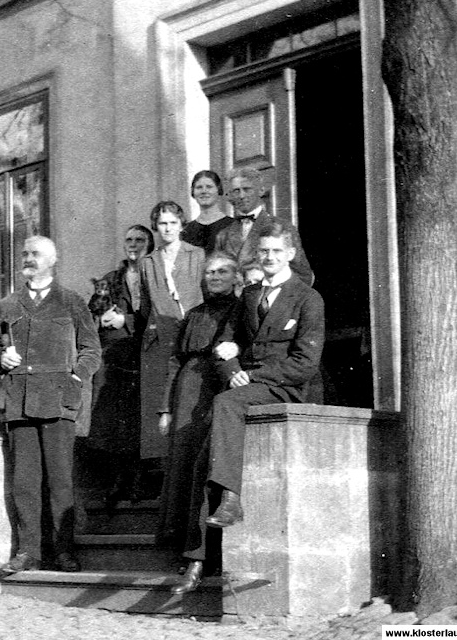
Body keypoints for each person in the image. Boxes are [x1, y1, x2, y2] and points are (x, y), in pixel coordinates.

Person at [0, 236, 101, 577]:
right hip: (19, 400)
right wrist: (0, 357)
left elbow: (91, 349)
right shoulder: (8, 304)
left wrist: (76, 379)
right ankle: (28, 553)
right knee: (24, 482)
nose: (28, 258)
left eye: (35, 254)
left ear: (53, 260)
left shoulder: (71, 301)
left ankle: (64, 551)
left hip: (58, 401)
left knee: (61, 481)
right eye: (25, 253)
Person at [205, 223, 324, 530]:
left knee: (227, 403)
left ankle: (231, 499)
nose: (269, 257)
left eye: (276, 251)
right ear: (256, 254)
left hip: (285, 386)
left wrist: (251, 376)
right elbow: (224, 345)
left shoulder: (307, 299)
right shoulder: (249, 295)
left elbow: (305, 363)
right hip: (247, 382)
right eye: (264, 251)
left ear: (290, 254)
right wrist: (232, 372)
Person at [158, 253, 240, 594]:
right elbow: (176, 361)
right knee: (182, 469)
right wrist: (166, 408)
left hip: (217, 390)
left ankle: (206, 558)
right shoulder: (192, 315)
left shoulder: (241, 310)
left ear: (235, 276)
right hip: (186, 394)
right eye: (209, 272)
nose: (215, 277)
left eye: (222, 271)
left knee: (206, 471)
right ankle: (182, 548)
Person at [88, 224, 155, 504]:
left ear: (149, 244)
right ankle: (118, 480)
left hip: (147, 353)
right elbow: (94, 309)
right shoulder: (112, 278)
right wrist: (102, 317)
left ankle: (139, 480)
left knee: (140, 418)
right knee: (114, 419)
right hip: (116, 356)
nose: (133, 244)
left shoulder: (155, 274)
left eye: (140, 240)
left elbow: (157, 312)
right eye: (129, 239)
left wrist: (124, 321)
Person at [138, 201, 205, 474]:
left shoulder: (197, 255)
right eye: (162, 223)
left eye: (173, 223)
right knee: (158, 409)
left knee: (188, 400)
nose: (167, 228)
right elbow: (144, 306)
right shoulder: (148, 262)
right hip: (159, 339)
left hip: (190, 336)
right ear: (156, 226)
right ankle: (162, 475)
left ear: (181, 225)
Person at [213, 166, 314, 286]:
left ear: (261, 190)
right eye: (236, 191)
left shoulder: (282, 227)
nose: (241, 196)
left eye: (247, 189)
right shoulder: (223, 235)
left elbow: (303, 275)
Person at [180, 170, 235, 253]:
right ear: (193, 192)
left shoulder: (233, 226)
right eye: (199, 187)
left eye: (209, 187)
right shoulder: (186, 230)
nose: (204, 191)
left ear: (218, 189)